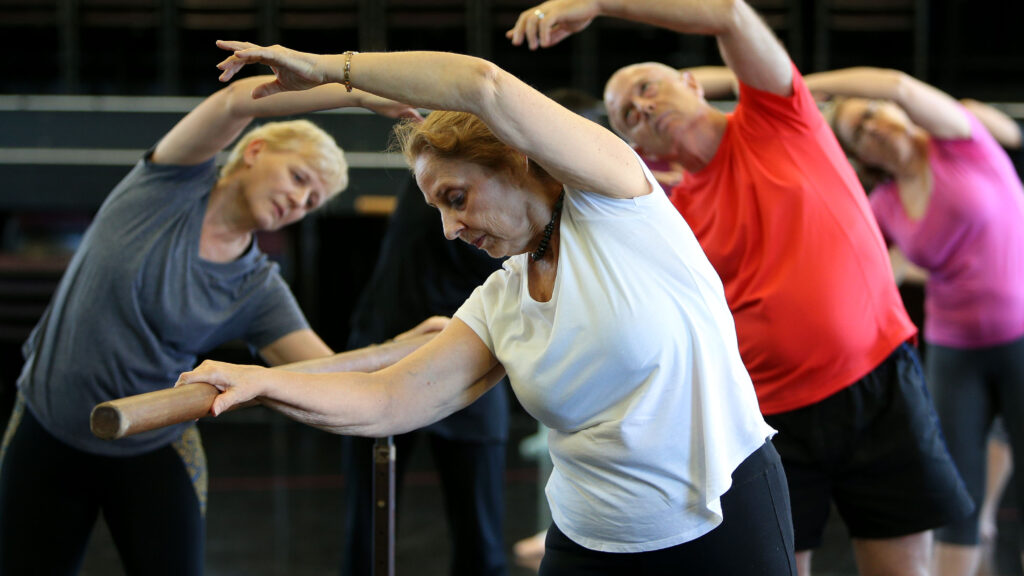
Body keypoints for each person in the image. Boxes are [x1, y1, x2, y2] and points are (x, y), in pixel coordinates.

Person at [178, 39, 796, 575]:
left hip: (721, 517)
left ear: (514, 157)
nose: (449, 228)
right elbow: (386, 399)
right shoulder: (501, 298)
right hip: (588, 540)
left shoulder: (618, 204)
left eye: (457, 196)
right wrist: (261, 383)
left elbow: (483, 85)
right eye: (438, 210)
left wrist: (331, 68)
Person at [507, 1, 974, 575]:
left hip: (876, 383)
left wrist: (600, 4)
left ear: (691, 83)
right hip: (765, 417)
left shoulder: (780, 116)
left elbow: (728, 12)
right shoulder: (664, 213)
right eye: (626, 113)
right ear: (636, 148)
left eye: (648, 87)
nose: (643, 106)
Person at [0, 74, 419, 575]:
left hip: (154, 450)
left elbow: (322, 375)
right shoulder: (168, 186)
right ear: (255, 150)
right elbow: (234, 100)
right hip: (47, 430)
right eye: (299, 178)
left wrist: (401, 352)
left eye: (311, 202)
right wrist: (356, 90)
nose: (299, 202)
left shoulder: (259, 289)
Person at [809, 67, 1024, 576]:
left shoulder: (962, 141)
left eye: (873, 112)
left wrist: (810, 88)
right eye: (857, 131)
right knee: (956, 494)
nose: (872, 126)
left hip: (1019, 334)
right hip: (954, 348)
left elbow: (900, 85)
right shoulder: (883, 204)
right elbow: (863, 267)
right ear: (860, 154)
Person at [341, 175, 509, 576]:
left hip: (470, 361)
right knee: (367, 529)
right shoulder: (436, 173)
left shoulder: (513, 190)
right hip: (390, 347)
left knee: (481, 536)